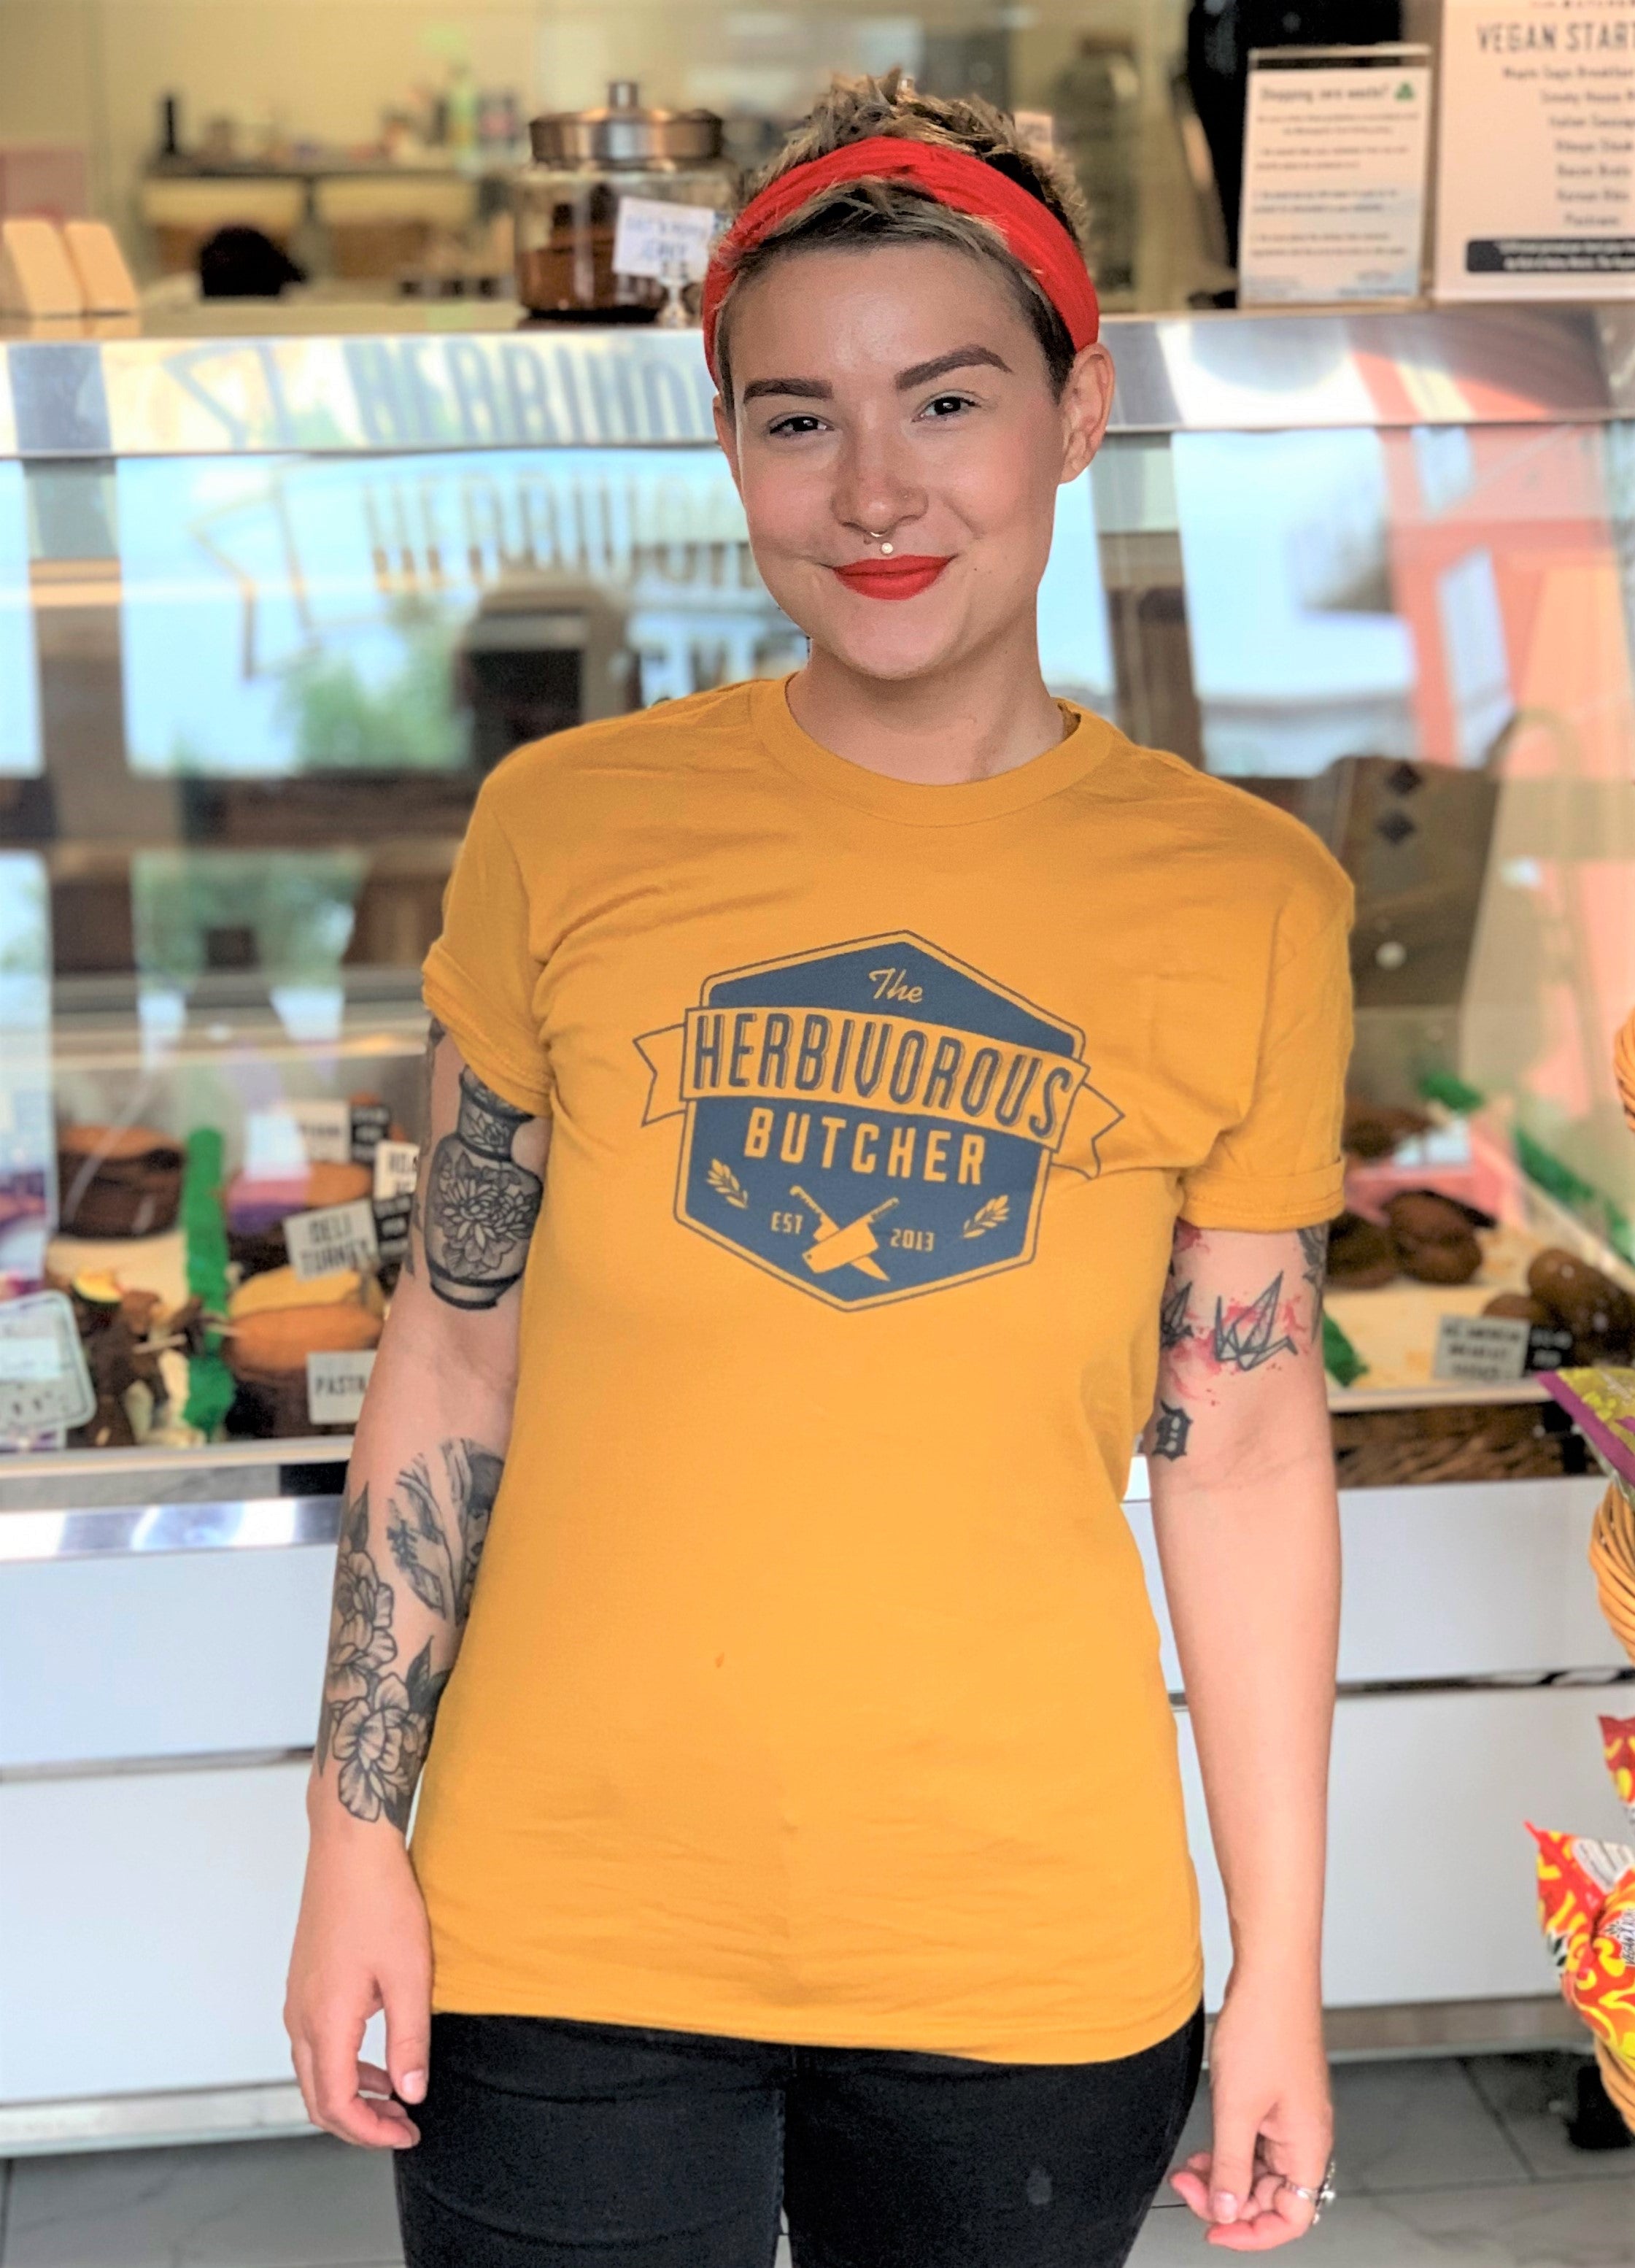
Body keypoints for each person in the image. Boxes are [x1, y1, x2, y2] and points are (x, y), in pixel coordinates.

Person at [285, 72, 1349, 2267]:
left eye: (947, 400)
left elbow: (1240, 1448)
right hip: (560, 1918)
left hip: (1023, 1944)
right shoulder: (565, 831)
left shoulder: (1244, 898)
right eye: (797, 419)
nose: (874, 490)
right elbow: (453, 1358)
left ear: (1077, 412)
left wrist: (1282, 1967)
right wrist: (351, 1832)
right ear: (730, 447)